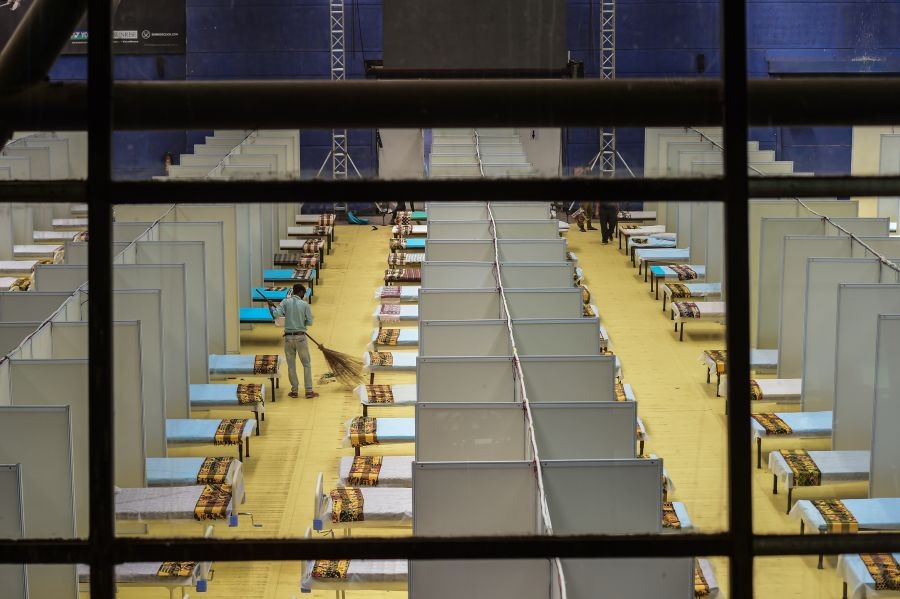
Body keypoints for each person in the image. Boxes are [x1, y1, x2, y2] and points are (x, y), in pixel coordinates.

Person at [268, 283, 318, 399]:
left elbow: (275, 315)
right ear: (300, 292)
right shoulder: (304, 305)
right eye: (303, 293)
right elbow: (310, 322)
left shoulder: (285, 302)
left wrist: (270, 306)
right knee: (306, 364)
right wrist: (301, 324)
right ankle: (309, 391)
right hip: (301, 337)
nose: (304, 295)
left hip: (288, 338)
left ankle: (294, 391)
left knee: (291, 365)